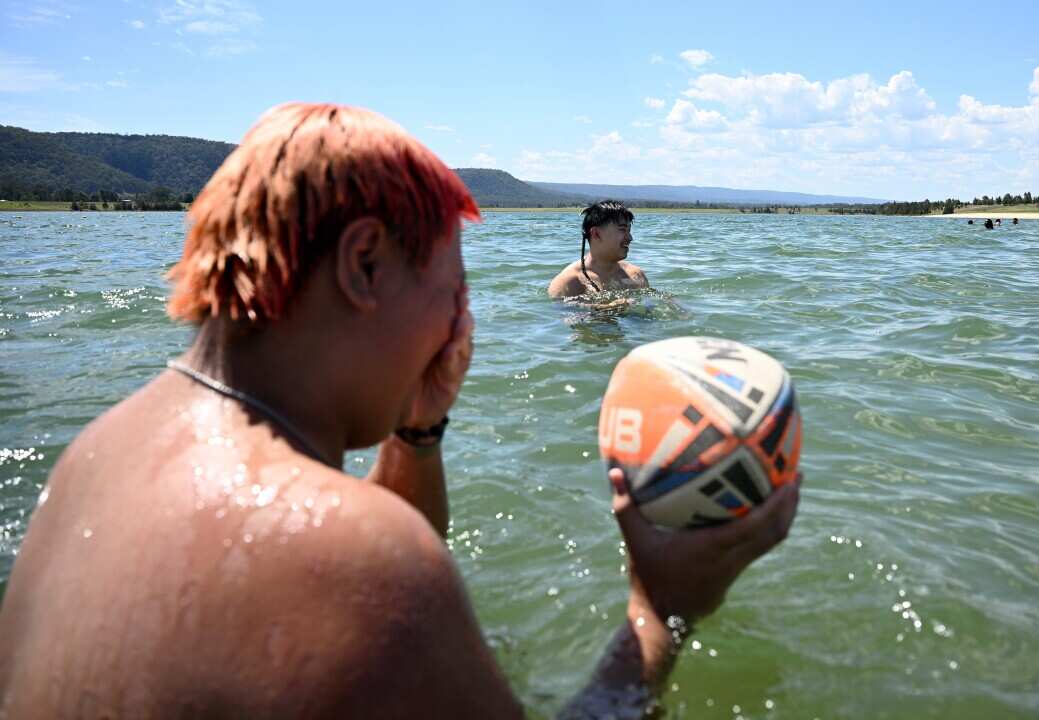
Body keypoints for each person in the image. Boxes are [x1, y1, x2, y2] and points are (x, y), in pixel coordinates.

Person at [0, 103, 800, 718]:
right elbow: (361, 559)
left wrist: (418, 433)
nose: (462, 321)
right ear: (363, 267)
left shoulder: (98, 454)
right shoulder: (355, 556)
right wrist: (662, 613)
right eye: (452, 285)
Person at [548, 200, 650, 298]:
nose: (630, 238)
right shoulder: (569, 282)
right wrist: (604, 309)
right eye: (622, 230)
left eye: (629, 230)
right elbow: (562, 312)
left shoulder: (636, 275)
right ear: (596, 233)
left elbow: (649, 311)